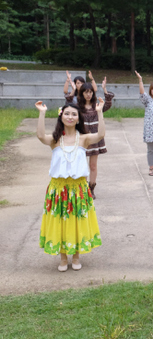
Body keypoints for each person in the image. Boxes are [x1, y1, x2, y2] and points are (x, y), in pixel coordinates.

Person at [35, 99, 105, 272]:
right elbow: (40, 136)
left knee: (75, 222)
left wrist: (100, 112)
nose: (70, 117)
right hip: (58, 189)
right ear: (61, 117)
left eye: (74, 114)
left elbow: (101, 135)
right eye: (67, 113)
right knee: (60, 222)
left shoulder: (84, 139)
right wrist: (42, 113)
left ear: (79, 119)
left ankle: (76, 256)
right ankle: (63, 258)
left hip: (78, 188)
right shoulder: (55, 140)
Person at [65, 78, 114, 198]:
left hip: (95, 139)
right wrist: (72, 90)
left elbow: (107, 104)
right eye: (86, 92)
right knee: (82, 165)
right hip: (82, 139)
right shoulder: (77, 107)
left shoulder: (96, 105)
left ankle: (91, 189)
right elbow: (67, 105)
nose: (88, 94)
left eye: (90, 92)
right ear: (81, 93)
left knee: (93, 165)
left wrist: (104, 89)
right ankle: (83, 189)